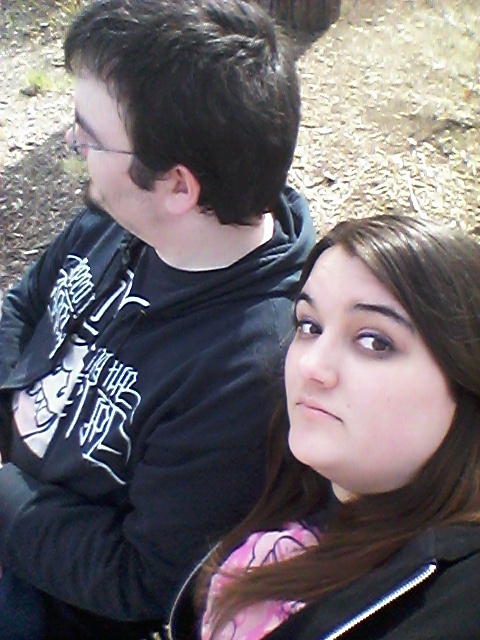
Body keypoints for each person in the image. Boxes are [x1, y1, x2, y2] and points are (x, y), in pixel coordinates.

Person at [0, 1, 315, 638]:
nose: (72, 144)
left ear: (178, 187)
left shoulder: (244, 372)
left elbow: (141, 576)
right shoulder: (118, 219)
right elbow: (25, 305)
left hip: (44, 593)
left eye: (89, 135)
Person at [192, 214, 480, 640]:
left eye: (374, 341)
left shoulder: (455, 599)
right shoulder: (277, 467)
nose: (311, 365)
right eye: (309, 326)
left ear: (466, 382)